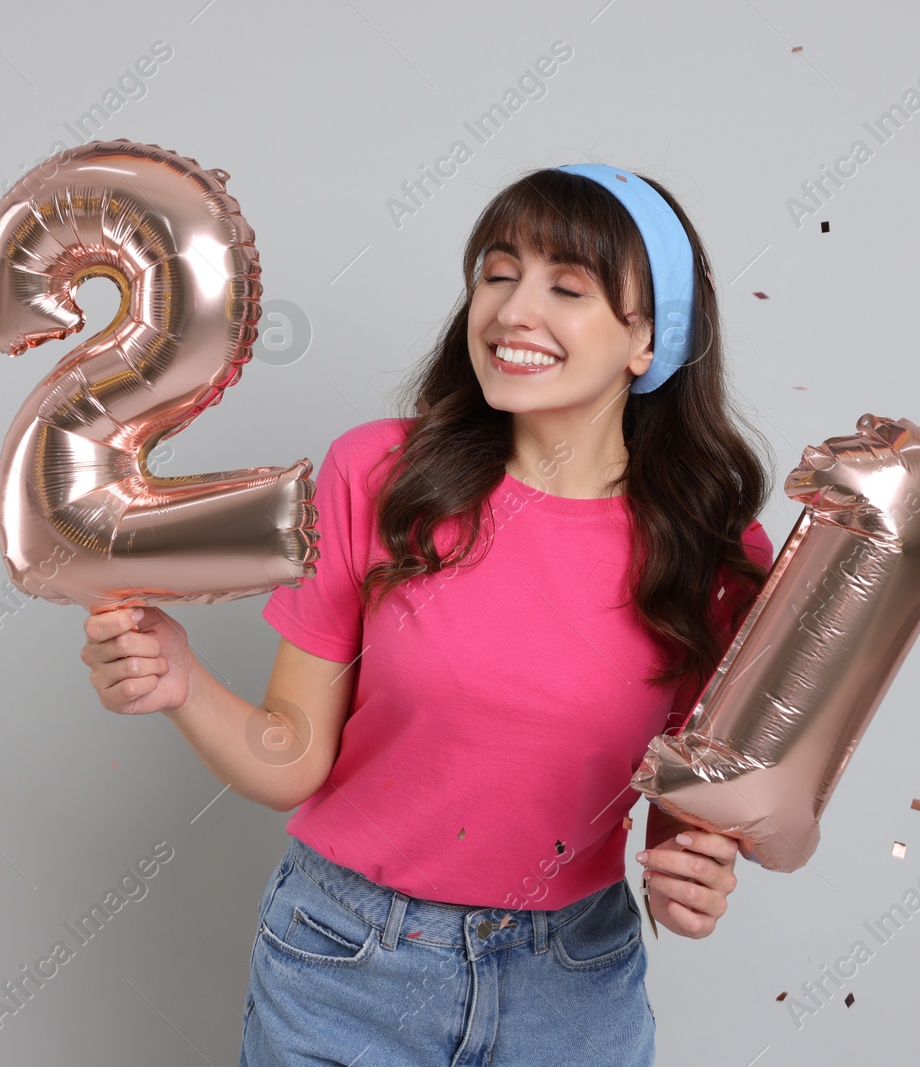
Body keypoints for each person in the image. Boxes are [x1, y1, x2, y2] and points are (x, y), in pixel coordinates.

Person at [80, 162, 778, 1066]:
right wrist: (180, 682)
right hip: (346, 962)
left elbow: (701, 806)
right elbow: (292, 756)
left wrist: (696, 872)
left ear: (648, 339)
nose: (513, 310)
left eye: (567, 287)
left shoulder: (713, 550)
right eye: (497, 273)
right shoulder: (376, 479)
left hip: (572, 983)